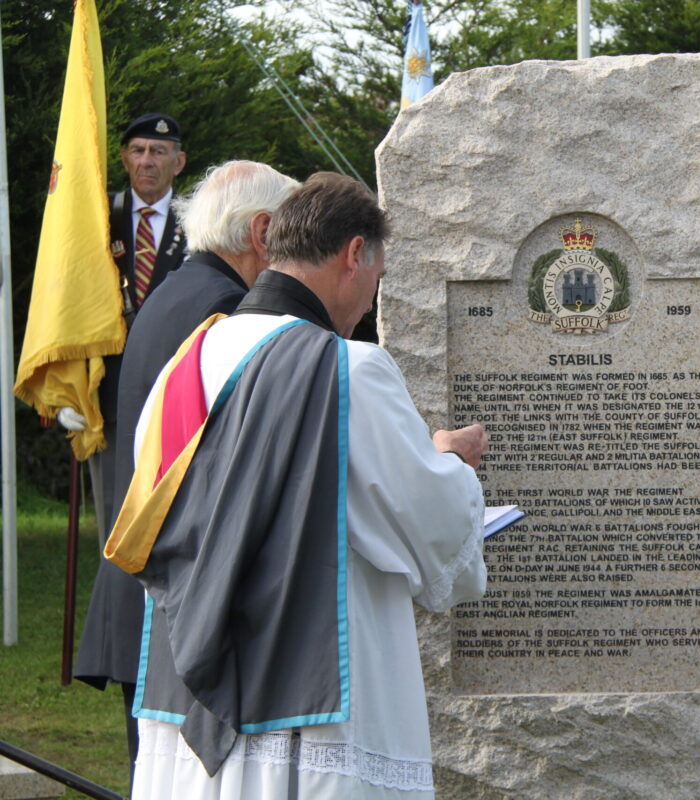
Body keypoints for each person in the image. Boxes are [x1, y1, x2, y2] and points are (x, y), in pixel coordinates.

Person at [104, 172, 488, 799]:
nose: (368, 304)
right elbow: (431, 526)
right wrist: (447, 461)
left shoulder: (187, 361)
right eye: (376, 281)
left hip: (190, 690)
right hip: (311, 705)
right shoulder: (349, 370)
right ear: (353, 254)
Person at [73, 161, 300, 784]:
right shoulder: (227, 309)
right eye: (293, 232)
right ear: (261, 233)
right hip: (173, 598)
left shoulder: (178, 289)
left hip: (148, 584)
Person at [58, 113, 189, 539]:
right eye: (138, 150)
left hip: (177, 396)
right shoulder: (96, 220)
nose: (147, 160)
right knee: (114, 522)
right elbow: (68, 303)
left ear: (179, 162)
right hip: (109, 394)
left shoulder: (198, 222)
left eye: (159, 151)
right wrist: (68, 387)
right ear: (124, 157)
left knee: (174, 520)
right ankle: (114, 608)